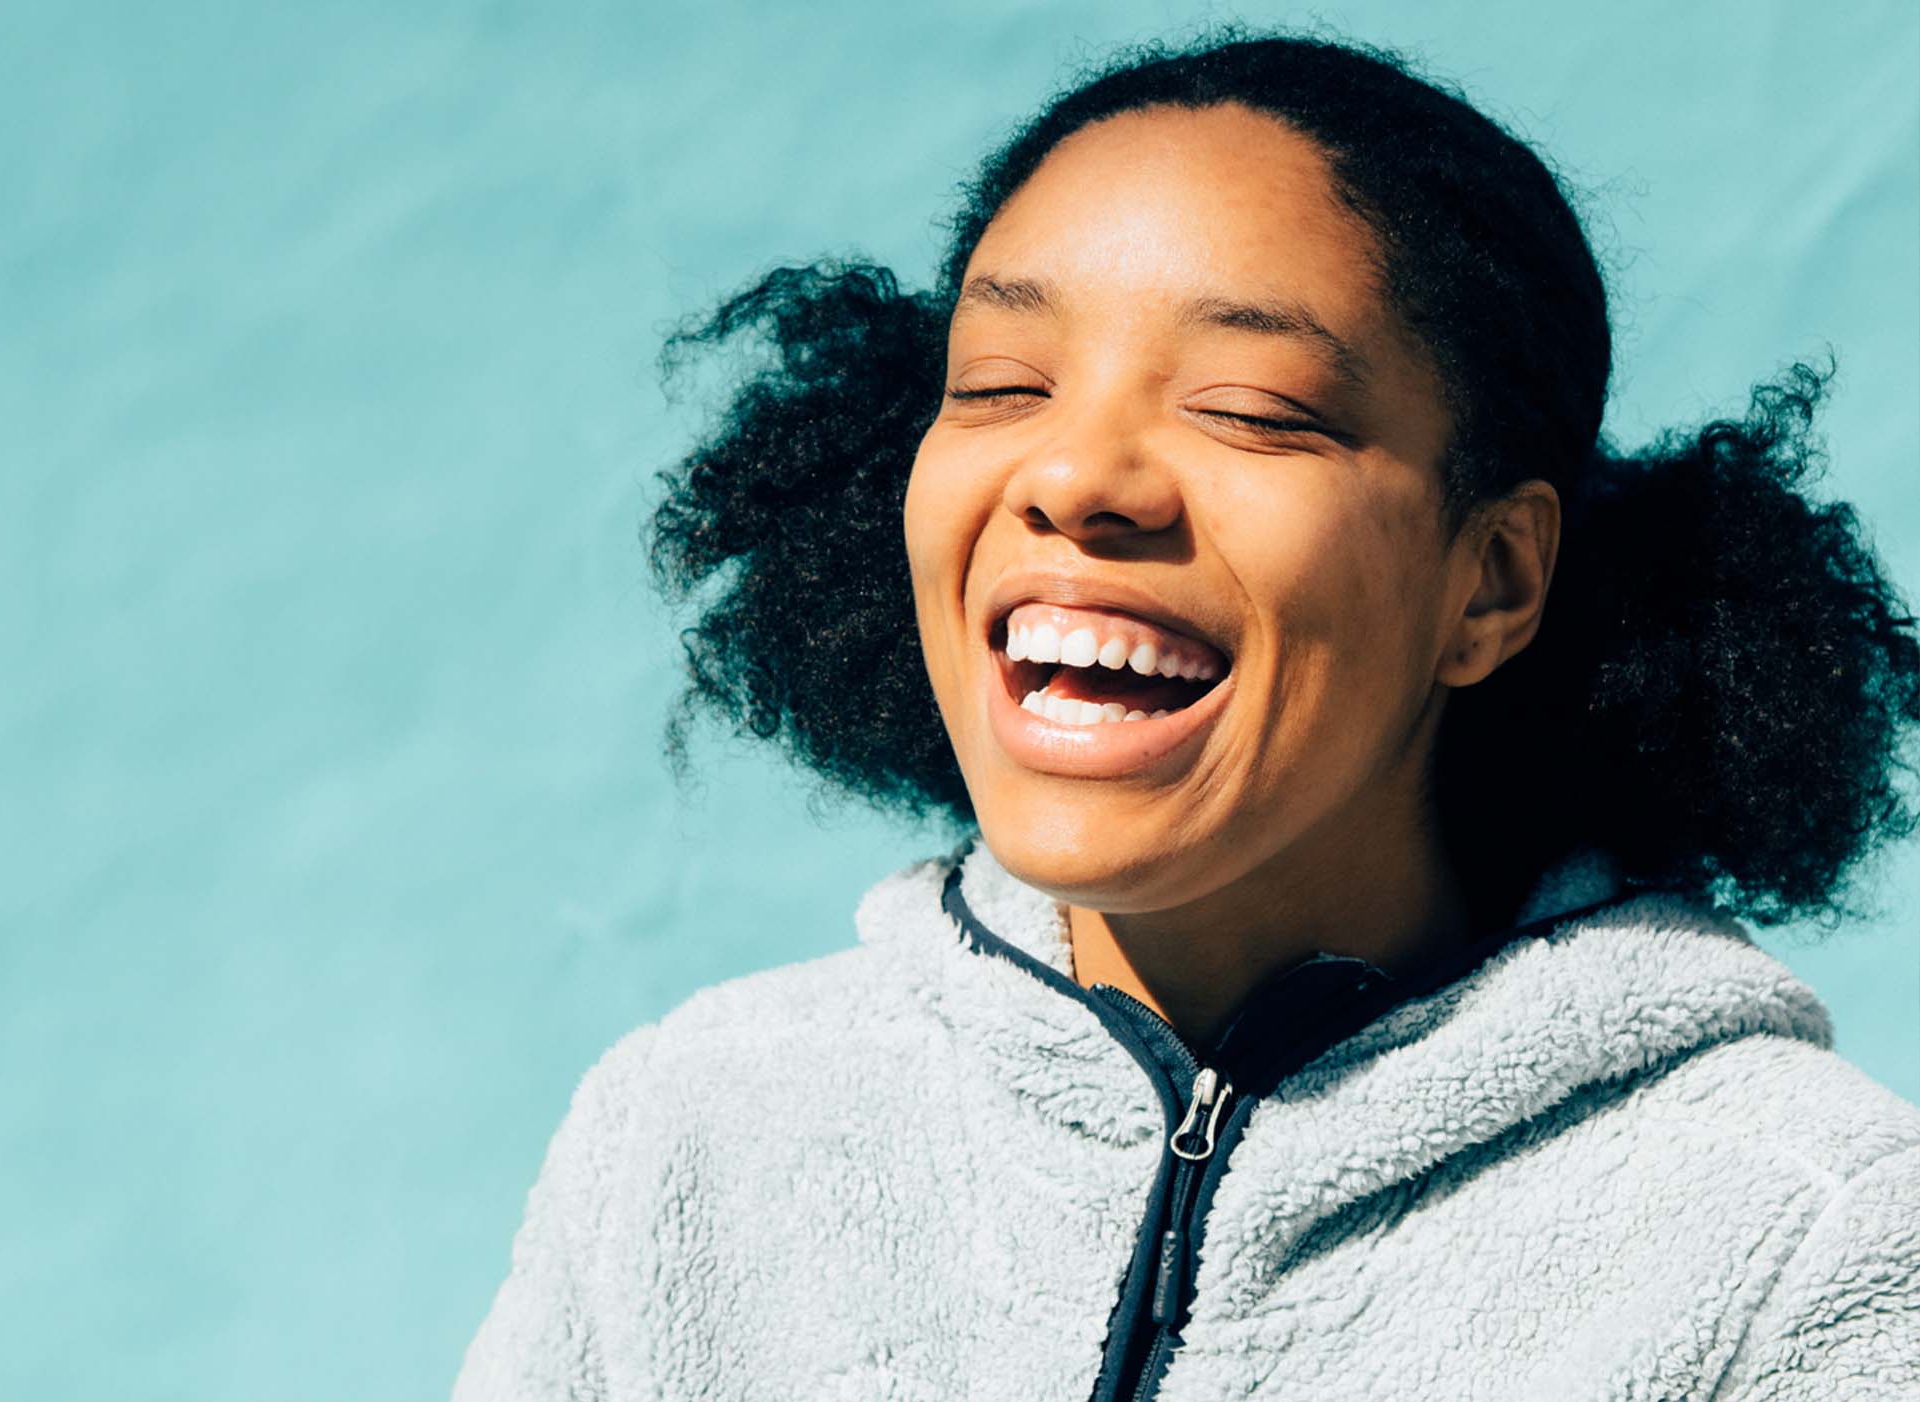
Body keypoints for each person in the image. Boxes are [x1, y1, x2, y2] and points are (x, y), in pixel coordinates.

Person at [452, 30, 1920, 1401]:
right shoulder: (694, 1133)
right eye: (998, 383)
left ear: (1490, 579)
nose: (1076, 474)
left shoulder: (1802, 1232)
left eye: (1252, 406)